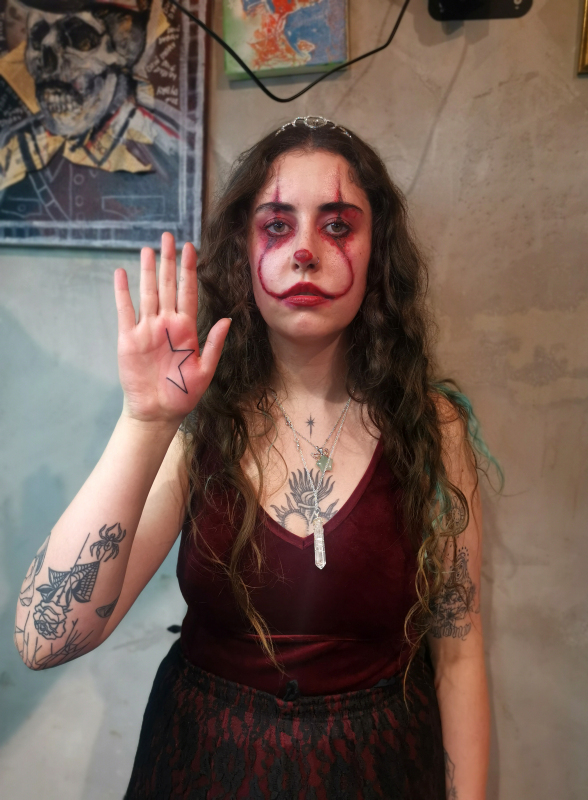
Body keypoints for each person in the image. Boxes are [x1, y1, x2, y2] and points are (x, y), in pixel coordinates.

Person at [15, 115, 502, 799]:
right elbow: (45, 640)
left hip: (381, 770)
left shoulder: (433, 427)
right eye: (276, 225)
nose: (304, 251)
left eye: (338, 226)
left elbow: (458, 657)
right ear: (244, 251)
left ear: (378, 250)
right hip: (203, 766)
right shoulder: (197, 425)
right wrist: (146, 419)